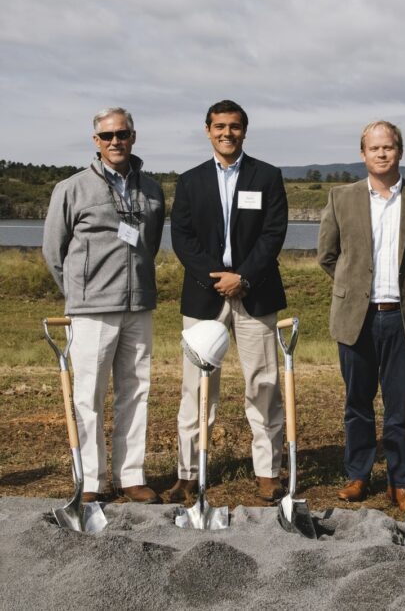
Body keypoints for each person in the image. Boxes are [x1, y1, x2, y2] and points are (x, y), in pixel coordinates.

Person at [317, 120, 405, 515]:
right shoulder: (341, 197)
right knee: (357, 402)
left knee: (400, 406)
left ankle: (401, 481)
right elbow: (327, 255)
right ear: (363, 154)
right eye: (374, 148)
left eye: (388, 147)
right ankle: (358, 475)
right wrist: (351, 286)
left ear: (400, 151)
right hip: (356, 317)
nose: (381, 154)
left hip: (404, 319)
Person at [42, 107, 165, 504]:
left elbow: (150, 243)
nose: (116, 142)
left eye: (123, 134)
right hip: (92, 309)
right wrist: (81, 291)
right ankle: (92, 481)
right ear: (96, 141)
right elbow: (53, 251)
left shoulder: (152, 189)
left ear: (133, 136)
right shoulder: (71, 188)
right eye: (108, 136)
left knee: (136, 392)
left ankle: (130, 476)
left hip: (139, 306)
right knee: (88, 396)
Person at [169, 100, 287, 504]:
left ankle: (268, 471)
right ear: (207, 130)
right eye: (219, 126)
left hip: (256, 293)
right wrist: (215, 278)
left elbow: (274, 234)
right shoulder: (189, 182)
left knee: (263, 384)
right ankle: (188, 472)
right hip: (205, 297)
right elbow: (181, 238)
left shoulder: (267, 177)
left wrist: (244, 278)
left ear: (244, 131)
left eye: (234, 126)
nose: (227, 133)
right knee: (197, 388)